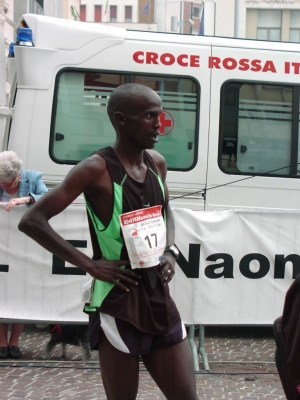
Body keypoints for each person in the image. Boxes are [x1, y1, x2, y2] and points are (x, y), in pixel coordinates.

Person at [19, 83, 198, 399]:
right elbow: (32, 221)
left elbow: (164, 210)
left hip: (158, 296)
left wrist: (170, 249)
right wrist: (90, 264)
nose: (160, 124)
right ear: (121, 119)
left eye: (160, 115)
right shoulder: (95, 169)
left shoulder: (157, 163)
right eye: (150, 116)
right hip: (117, 301)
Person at [0, 150, 48, 359]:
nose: (4, 186)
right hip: (2, 244)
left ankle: (15, 341)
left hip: (24, 245)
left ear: (18, 176)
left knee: (20, 289)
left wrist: (26, 200)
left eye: (8, 183)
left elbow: (47, 198)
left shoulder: (33, 178)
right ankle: (1, 342)